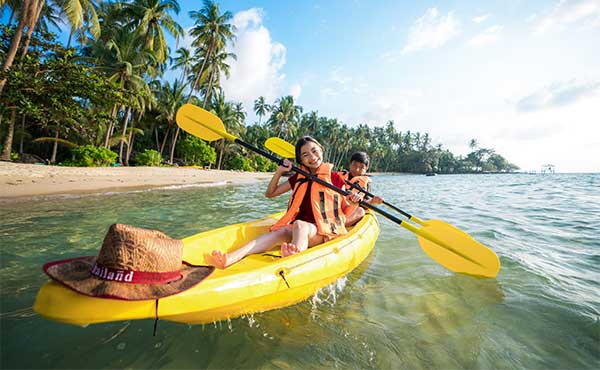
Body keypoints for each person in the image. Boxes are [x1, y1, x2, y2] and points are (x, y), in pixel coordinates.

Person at [209, 136, 363, 269]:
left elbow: (345, 212)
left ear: (321, 150)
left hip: (324, 232)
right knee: (281, 232)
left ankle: (293, 260)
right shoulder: (298, 177)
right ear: (301, 160)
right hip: (300, 230)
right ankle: (231, 258)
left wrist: (354, 202)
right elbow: (270, 193)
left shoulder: (335, 178)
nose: (312, 157)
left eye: (314, 151)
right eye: (305, 155)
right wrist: (280, 171)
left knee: (300, 225)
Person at [341, 151, 384, 226]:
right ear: (350, 164)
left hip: (350, 210)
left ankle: (340, 224)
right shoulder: (340, 176)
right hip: (336, 206)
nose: (357, 169)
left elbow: (364, 204)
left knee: (361, 211)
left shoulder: (365, 184)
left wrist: (372, 201)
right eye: (354, 165)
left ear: (366, 168)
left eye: (361, 167)